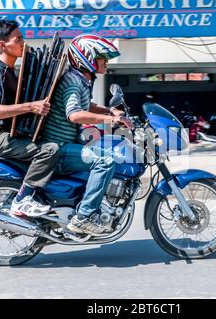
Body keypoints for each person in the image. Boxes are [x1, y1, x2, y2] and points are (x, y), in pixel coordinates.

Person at [42, 34, 134, 236]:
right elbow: (75, 114)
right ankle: (83, 217)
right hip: (59, 148)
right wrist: (111, 120)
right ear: (87, 58)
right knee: (106, 161)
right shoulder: (74, 82)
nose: (106, 62)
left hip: (65, 144)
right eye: (102, 57)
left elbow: (87, 105)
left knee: (106, 151)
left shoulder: (80, 80)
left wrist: (110, 112)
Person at [0, 20, 60, 217]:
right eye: (18, 39)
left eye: (22, 38)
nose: (23, 43)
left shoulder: (10, 71)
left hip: (4, 135)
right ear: (3, 45)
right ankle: (22, 200)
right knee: (49, 151)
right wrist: (31, 106)